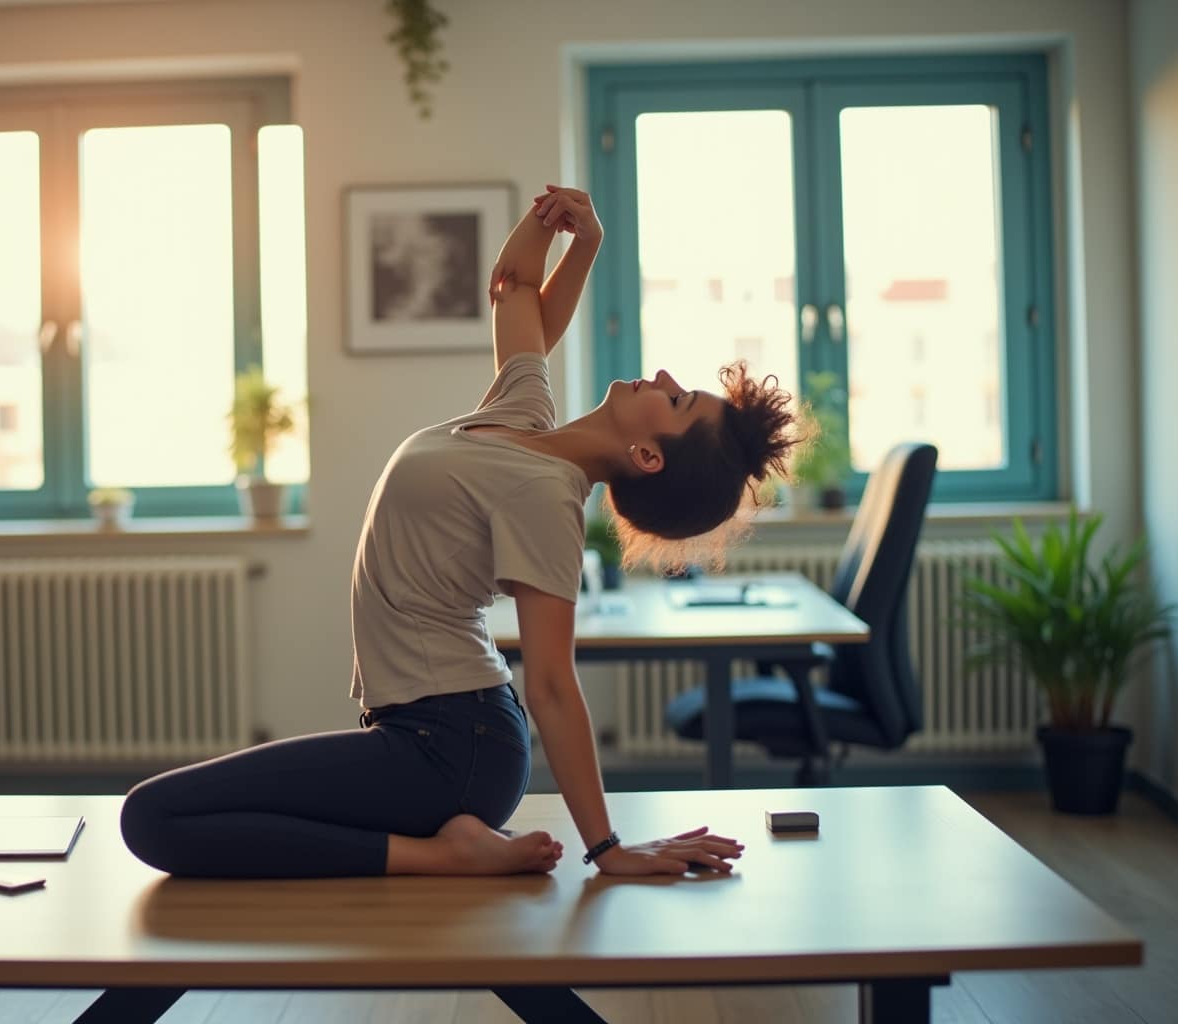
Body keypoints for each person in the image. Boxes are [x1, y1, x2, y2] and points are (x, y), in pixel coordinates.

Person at [120, 186, 799, 879]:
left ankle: (440, 856)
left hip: (452, 745)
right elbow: (514, 287)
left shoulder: (547, 498)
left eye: (676, 398)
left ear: (649, 456)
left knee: (153, 818)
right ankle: (447, 850)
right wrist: (576, 236)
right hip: (434, 734)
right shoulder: (524, 416)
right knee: (179, 816)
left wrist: (606, 848)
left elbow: (554, 686)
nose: (661, 375)